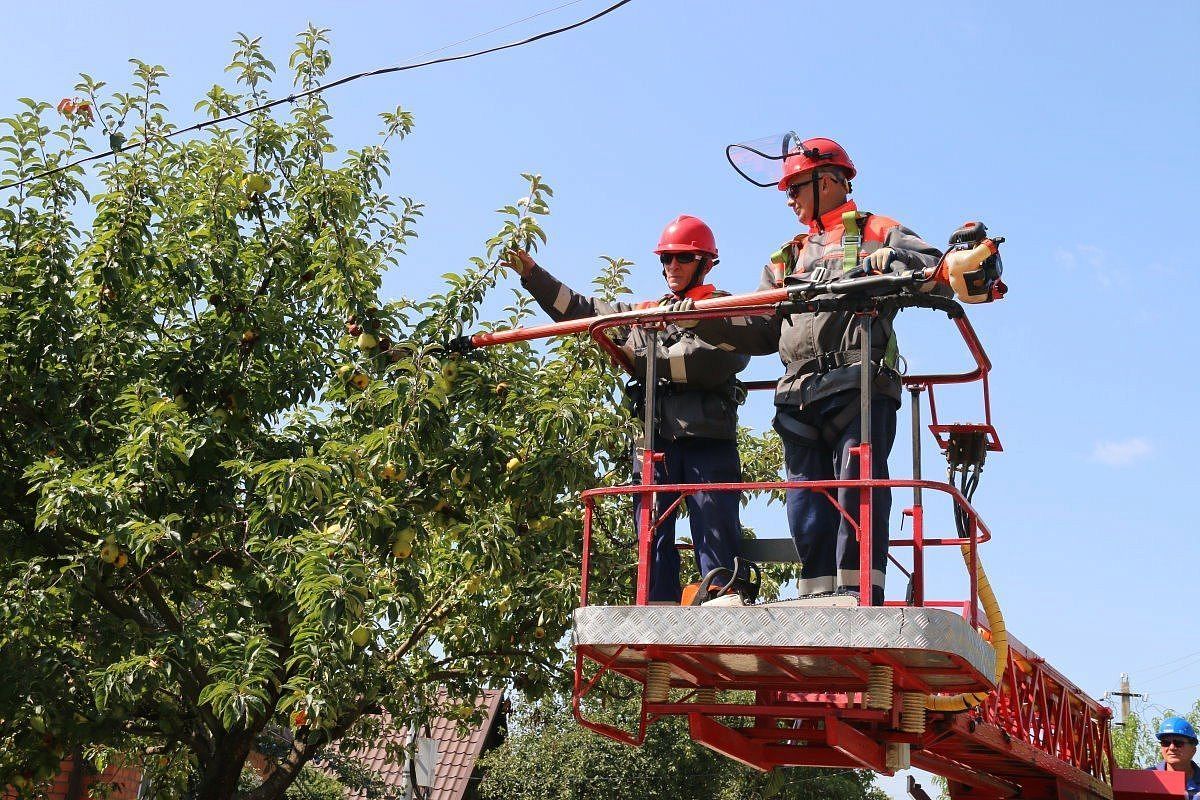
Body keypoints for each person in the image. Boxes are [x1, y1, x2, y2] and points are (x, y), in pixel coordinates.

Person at [679, 137, 942, 605]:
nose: (788, 197)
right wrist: (699, 318)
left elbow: (936, 267)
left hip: (856, 385)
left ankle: (857, 593)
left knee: (856, 491)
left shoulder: (877, 231)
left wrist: (894, 261)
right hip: (797, 394)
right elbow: (762, 328)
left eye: (795, 185)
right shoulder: (787, 256)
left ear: (830, 181)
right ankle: (818, 598)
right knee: (804, 508)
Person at [505, 215, 749, 604]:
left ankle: (721, 602)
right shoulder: (648, 313)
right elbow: (584, 310)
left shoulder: (725, 311)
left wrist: (644, 357)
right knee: (650, 534)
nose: (672, 267)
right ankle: (657, 607)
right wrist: (534, 276)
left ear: (705, 263)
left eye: (682, 259)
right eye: (666, 259)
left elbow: (715, 362)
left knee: (715, 529)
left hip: (707, 441)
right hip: (654, 443)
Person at [1152, 717, 1199, 799]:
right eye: (1166, 743)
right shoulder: (1148, 778)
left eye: (1178, 743)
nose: (1172, 747)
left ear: (1193, 750)